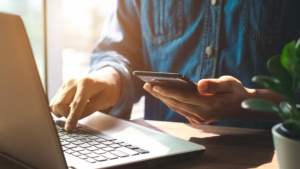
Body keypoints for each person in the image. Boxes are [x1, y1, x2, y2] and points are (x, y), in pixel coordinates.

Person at [50, 0, 300, 132]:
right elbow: (122, 50)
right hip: (161, 151)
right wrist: (107, 80)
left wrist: (250, 103)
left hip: (272, 154)